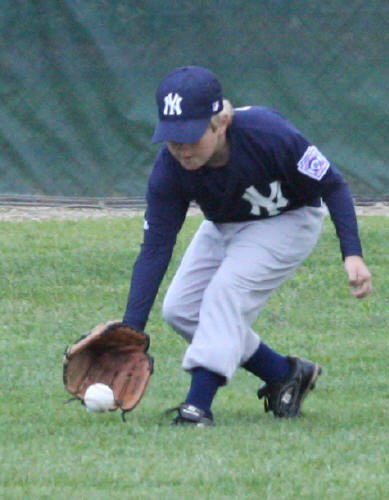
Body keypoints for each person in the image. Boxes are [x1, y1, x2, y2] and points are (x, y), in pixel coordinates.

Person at [122, 65, 373, 426]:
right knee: (181, 310)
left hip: (290, 219)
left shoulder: (268, 133)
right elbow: (155, 248)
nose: (181, 149)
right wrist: (131, 331)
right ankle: (284, 373)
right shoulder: (169, 170)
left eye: (190, 136)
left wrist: (352, 254)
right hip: (225, 225)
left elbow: (332, 184)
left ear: (220, 123)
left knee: (226, 293)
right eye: (172, 138)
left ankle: (197, 407)